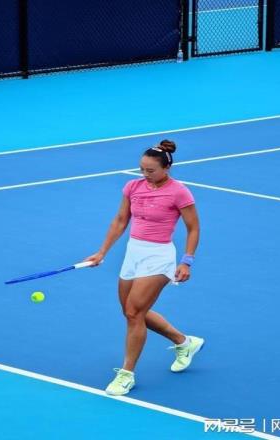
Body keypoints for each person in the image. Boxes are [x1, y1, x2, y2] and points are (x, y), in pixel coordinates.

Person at [84, 139, 204, 396]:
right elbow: (120, 220)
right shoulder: (133, 187)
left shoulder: (179, 192)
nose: (145, 174)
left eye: (151, 170)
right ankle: (184, 342)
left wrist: (187, 261)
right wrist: (102, 252)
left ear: (166, 168)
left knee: (134, 312)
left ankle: (126, 374)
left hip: (159, 256)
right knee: (131, 312)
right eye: (142, 169)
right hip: (133, 253)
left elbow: (193, 228)